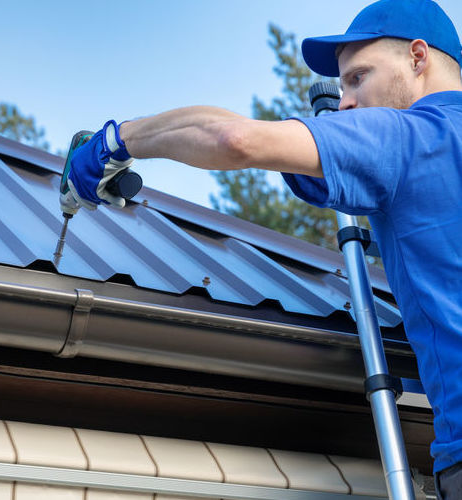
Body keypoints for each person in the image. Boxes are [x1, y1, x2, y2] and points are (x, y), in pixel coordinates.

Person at [66, 0, 462, 497]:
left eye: (359, 78)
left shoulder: (407, 137)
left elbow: (233, 139)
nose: (345, 104)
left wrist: (114, 141)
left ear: (418, 58)